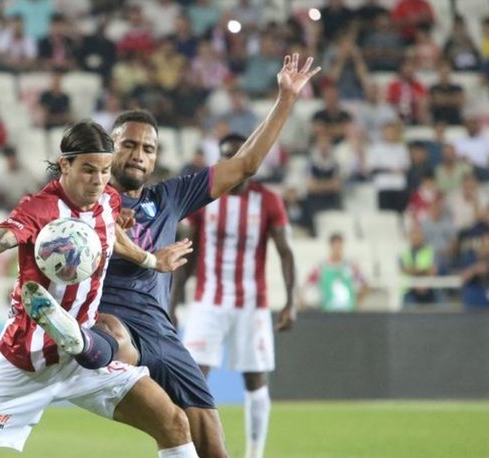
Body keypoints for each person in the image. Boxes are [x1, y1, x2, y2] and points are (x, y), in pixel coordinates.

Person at [94, 54, 320, 458]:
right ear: (109, 149)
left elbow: (246, 164)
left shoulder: (169, 198)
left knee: (209, 443)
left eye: (148, 147)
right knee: (156, 402)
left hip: (164, 337)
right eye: (128, 144)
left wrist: (285, 98)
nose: (138, 154)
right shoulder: (85, 198)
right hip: (112, 328)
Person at [0, 119, 200, 457]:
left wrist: (150, 261)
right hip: (29, 359)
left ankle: (80, 339)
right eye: (89, 170)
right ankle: (65, 330)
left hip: (84, 355)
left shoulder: (108, 200)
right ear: (65, 164)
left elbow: (112, 235)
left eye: (106, 170)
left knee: (174, 422)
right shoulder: (40, 208)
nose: (99, 180)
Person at [171, 131, 296, 458]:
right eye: (228, 157)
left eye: (240, 157)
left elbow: (286, 251)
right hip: (208, 301)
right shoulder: (205, 198)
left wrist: (291, 302)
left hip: (251, 305)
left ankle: (255, 454)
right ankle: (191, 451)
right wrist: (172, 302)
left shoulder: (268, 200)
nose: (236, 164)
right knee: (193, 379)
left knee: (256, 380)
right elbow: (188, 251)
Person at [302, 233, 369, 312]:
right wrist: (304, 302)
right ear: (330, 247)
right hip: (327, 312)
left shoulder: (351, 266)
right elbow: (307, 285)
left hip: (348, 312)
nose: (338, 250)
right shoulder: (320, 267)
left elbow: (365, 284)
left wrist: (358, 302)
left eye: (340, 247)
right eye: (335, 247)